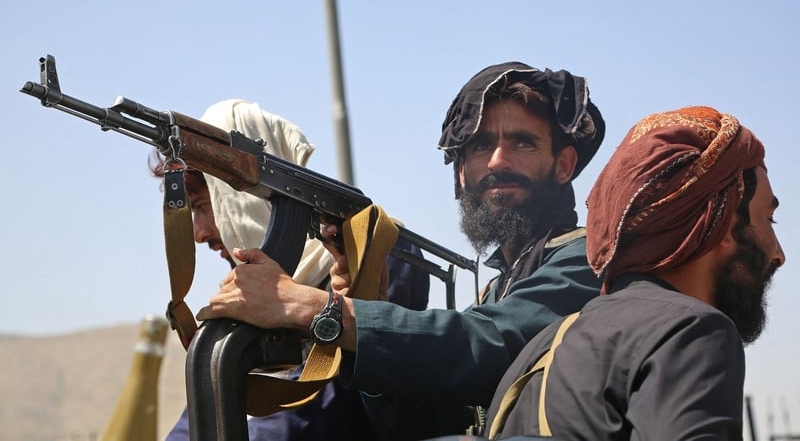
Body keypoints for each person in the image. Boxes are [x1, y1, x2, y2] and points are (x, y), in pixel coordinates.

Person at [196, 62, 606, 439]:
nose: (498, 161)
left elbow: (491, 340)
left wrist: (315, 308)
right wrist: (367, 304)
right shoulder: (501, 287)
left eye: (523, 143)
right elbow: (434, 422)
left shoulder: (586, 260)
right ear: (461, 173)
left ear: (564, 164)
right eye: (480, 146)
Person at [482, 106, 786, 440]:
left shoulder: (539, 348)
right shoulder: (691, 331)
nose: (778, 254)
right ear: (725, 222)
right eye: (767, 221)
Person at [150, 99, 430, 440]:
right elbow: (204, 412)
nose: (200, 233)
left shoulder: (379, 255)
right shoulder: (250, 299)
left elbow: (306, 419)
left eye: (205, 206)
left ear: (242, 198)